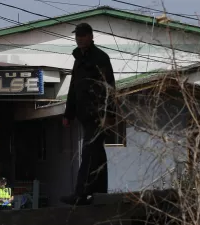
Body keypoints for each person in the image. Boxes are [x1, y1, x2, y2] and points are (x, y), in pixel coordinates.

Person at [61, 23, 116, 205]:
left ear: (91, 37)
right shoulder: (78, 61)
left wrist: (108, 115)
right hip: (84, 116)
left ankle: (81, 193)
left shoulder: (101, 58)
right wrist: (68, 114)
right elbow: (73, 88)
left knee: (89, 152)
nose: (79, 38)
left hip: (98, 116)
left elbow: (110, 88)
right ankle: (99, 192)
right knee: (97, 153)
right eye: (77, 35)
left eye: (83, 35)